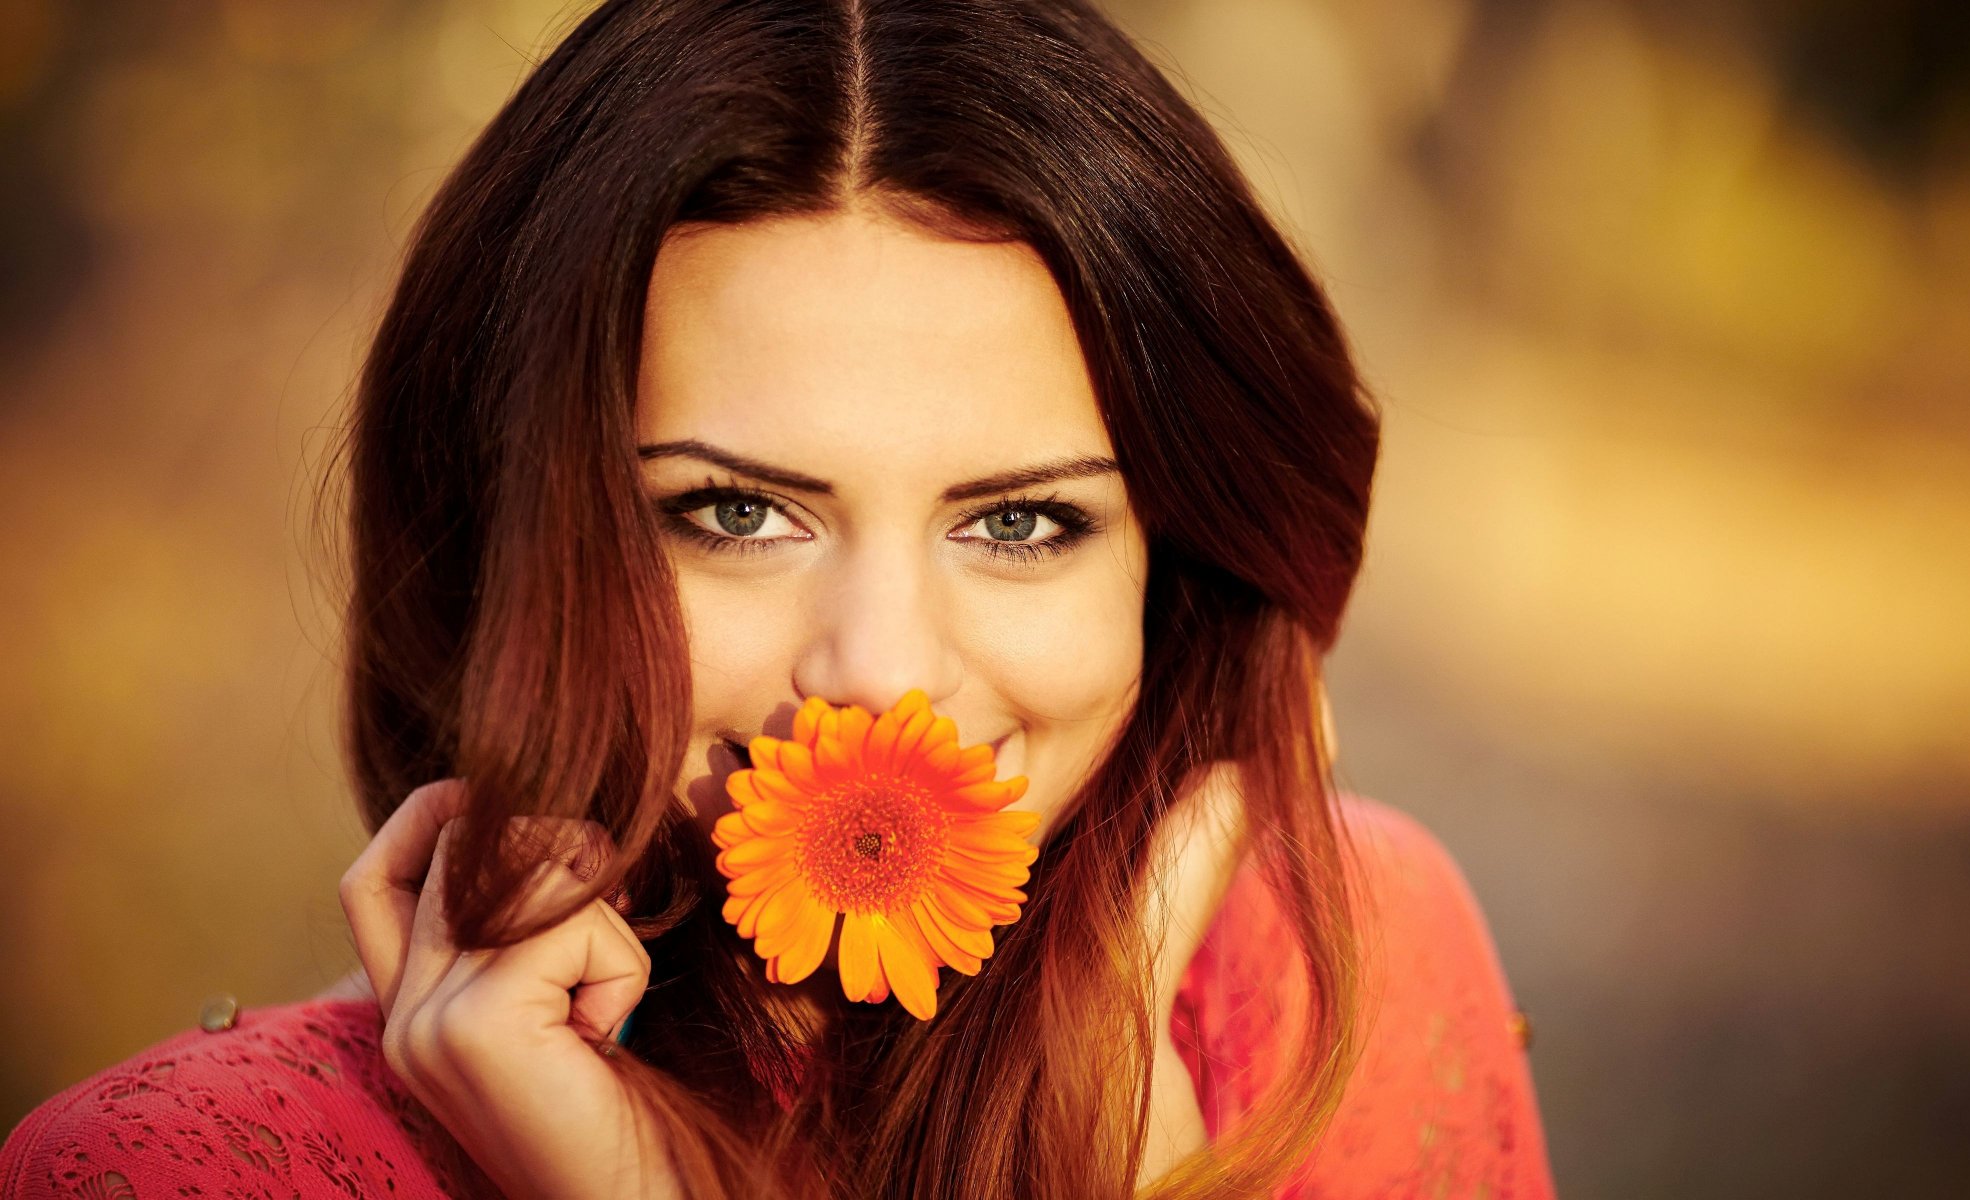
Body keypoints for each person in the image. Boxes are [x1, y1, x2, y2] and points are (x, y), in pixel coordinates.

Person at [0, 0, 1555, 1196]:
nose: (878, 677)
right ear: (514, 536)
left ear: (1181, 570)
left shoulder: (1334, 965)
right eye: (735, 513)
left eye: (1020, 522)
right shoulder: (180, 1171)